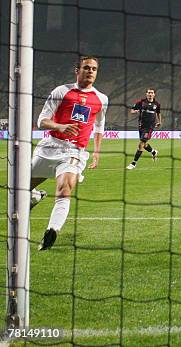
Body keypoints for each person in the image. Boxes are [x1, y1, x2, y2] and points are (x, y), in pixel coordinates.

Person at [30, 56, 108, 250]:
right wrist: (60, 126)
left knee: (65, 189)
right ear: (77, 70)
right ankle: (34, 197)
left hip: (74, 152)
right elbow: (41, 121)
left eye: (94, 69)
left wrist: (97, 152)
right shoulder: (62, 91)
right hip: (50, 146)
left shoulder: (101, 99)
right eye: (86, 68)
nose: (90, 71)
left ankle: (52, 231)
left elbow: (99, 128)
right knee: (19, 188)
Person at [126, 88, 161, 169]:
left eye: (152, 93)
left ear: (154, 94)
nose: (150, 94)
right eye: (148, 92)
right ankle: (153, 152)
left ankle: (133, 163)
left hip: (150, 127)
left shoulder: (157, 104)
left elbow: (158, 113)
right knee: (144, 145)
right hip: (141, 126)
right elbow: (132, 110)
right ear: (146, 94)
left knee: (141, 144)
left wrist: (159, 122)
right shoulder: (141, 102)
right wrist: (136, 111)